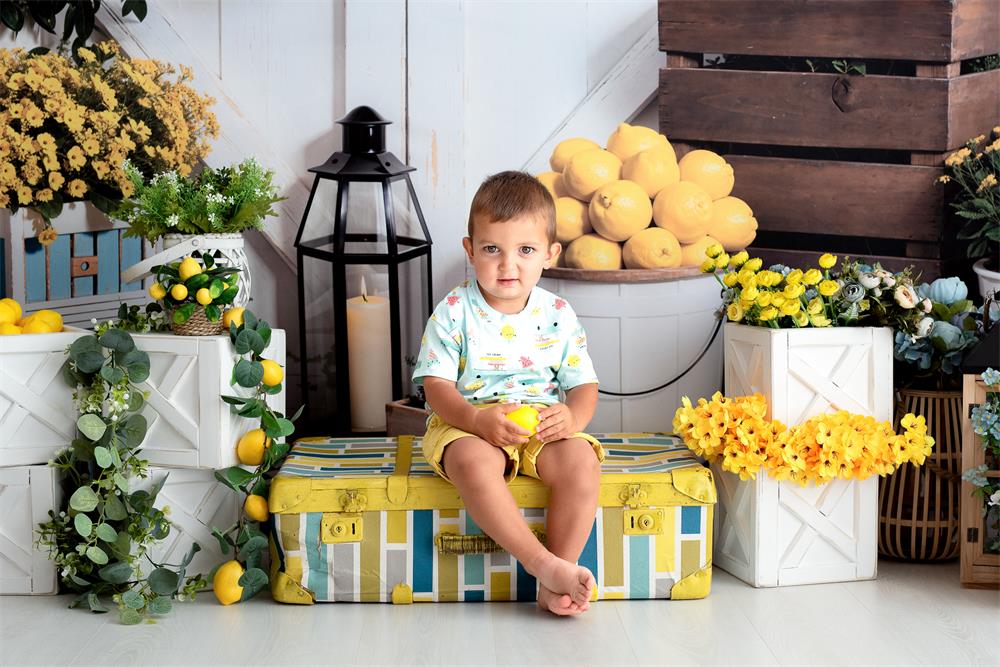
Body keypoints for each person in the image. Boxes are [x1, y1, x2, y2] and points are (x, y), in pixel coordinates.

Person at [412, 171, 603, 616]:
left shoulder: (557, 313)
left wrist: (572, 419)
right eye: (492, 249)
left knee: (582, 463)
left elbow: (584, 385)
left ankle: (561, 577)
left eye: (526, 250)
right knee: (473, 462)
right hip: (468, 422)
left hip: (538, 423)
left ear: (551, 254)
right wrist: (476, 420)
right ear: (470, 249)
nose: (507, 265)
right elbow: (436, 386)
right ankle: (543, 565)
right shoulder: (455, 311)